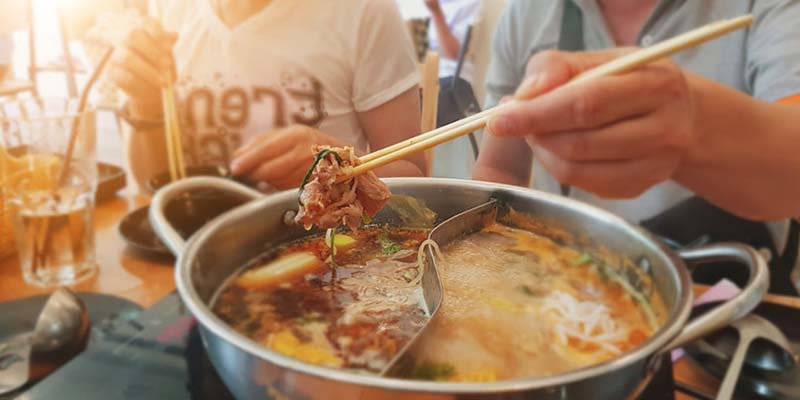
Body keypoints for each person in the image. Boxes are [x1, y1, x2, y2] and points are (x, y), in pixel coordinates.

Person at [473, 0, 800, 293]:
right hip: (564, 286)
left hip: (724, 293)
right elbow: (500, 170)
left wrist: (695, 124)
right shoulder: (526, 12)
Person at [108, 0, 426, 190]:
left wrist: (336, 167)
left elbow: (415, 184)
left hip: (316, 255)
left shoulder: (364, 11)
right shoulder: (168, 11)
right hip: (185, 248)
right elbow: (153, 185)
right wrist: (145, 104)